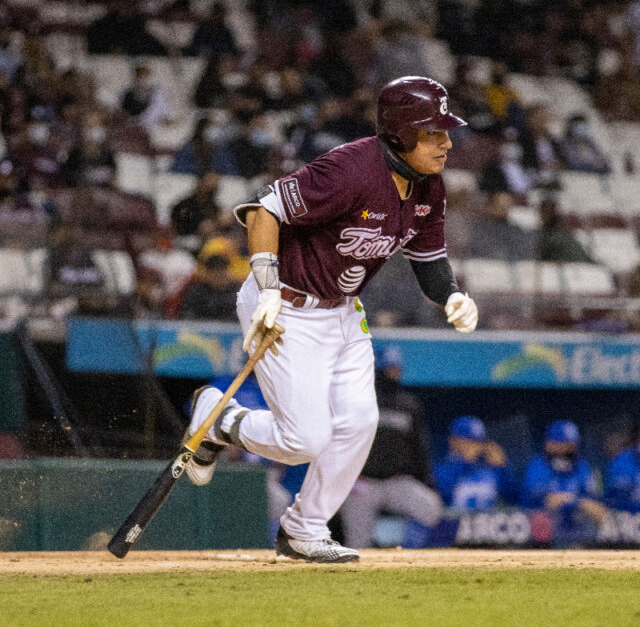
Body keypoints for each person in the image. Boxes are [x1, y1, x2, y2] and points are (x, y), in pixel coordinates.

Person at [185, 76, 478, 563]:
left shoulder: (430, 184)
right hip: (285, 304)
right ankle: (221, 420)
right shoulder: (350, 169)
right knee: (303, 440)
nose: (446, 142)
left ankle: (304, 528)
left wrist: (451, 295)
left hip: (343, 310)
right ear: (400, 133)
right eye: (434, 132)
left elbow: (428, 259)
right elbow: (263, 211)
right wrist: (267, 288)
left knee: (361, 421)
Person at [340, 346, 442, 549]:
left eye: (396, 369)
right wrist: (344, 479)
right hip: (364, 484)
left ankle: (408, 553)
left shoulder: (408, 405)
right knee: (357, 543)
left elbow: (419, 449)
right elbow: (342, 444)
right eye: (389, 369)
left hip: (397, 482)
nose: (394, 374)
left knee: (430, 507)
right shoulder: (358, 401)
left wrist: (429, 484)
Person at [522, 420, 607, 524]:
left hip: (578, 523)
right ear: (549, 444)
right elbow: (543, 500)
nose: (567, 450)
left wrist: (570, 500)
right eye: (562, 444)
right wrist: (576, 501)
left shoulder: (582, 466)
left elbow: (594, 503)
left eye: (571, 446)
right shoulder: (538, 465)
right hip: (545, 524)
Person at [434, 415, 517, 510]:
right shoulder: (441, 470)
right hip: (454, 519)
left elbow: (515, 499)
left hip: (486, 518)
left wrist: (501, 468)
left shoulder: (491, 470)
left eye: (479, 441)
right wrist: (465, 463)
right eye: (469, 441)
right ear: (453, 441)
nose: (476, 446)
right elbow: (445, 493)